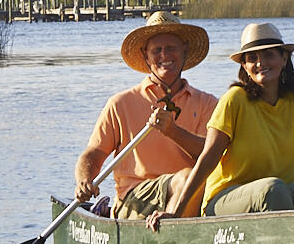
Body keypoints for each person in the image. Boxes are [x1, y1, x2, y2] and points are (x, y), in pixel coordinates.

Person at [147, 22, 294, 227]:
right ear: (244, 66)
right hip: (226, 200)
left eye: (268, 55)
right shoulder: (234, 100)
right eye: (252, 58)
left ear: (284, 59)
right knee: (273, 189)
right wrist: (175, 212)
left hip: (276, 194)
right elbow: (208, 158)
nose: (260, 63)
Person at [76, 12, 217, 219]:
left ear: (184, 50)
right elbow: (94, 154)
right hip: (135, 199)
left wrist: (173, 132)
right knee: (187, 178)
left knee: (193, 181)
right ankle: (171, 234)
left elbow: (213, 157)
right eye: (157, 50)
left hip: (191, 196)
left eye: (171, 48)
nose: (164, 56)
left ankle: (173, 223)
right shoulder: (121, 103)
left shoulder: (207, 103)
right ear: (145, 55)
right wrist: (84, 180)